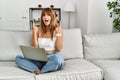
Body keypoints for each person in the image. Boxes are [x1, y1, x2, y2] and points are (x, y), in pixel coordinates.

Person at [15, 8, 64, 75]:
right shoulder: (38, 30)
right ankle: (38, 69)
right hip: (40, 59)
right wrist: (34, 33)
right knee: (18, 58)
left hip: (52, 57)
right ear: (41, 18)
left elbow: (58, 49)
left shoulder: (58, 29)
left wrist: (58, 34)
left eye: (48, 15)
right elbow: (35, 47)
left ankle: (42, 71)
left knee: (58, 60)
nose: (45, 17)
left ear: (52, 17)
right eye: (43, 15)